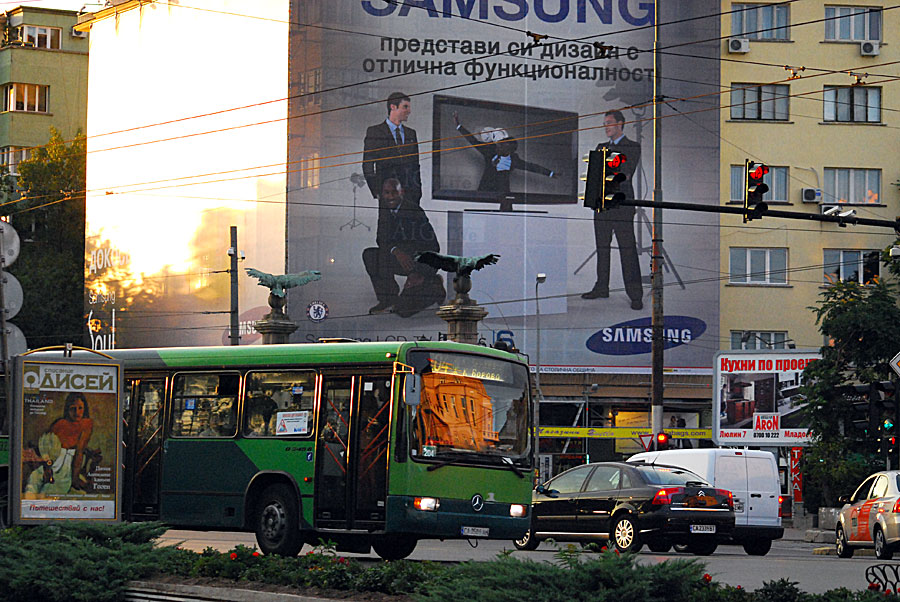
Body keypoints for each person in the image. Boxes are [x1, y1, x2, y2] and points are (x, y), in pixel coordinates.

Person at [582, 109, 644, 310]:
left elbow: (625, 173)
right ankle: (602, 287)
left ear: (620, 124)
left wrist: (605, 169)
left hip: (621, 205)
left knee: (627, 249)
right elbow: (595, 174)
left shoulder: (632, 146)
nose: (606, 127)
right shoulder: (601, 147)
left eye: (609, 123)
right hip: (602, 204)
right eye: (605, 123)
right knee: (602, 247)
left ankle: (635, 295)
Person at [362, 178, 445, 318]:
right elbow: (381, 239)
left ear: (402, 192)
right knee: (370, 255)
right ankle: (388, 298)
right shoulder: (385, 210)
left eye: (394, 192)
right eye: (387, 193)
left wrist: (417, 273)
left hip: (421, 263)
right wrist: (396, 251)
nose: (390, 196)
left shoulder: (414, 211)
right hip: (401, 259)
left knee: (403, 311)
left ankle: (434, 286)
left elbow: (432, 247)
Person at [453, 111, 555, 197]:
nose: (499, 147)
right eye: (500, 145)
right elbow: (473, 141)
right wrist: (459, 126)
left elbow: (532, 167)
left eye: (504, 147)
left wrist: (550, 173)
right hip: (484, 191)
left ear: (510, 150)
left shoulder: (514, 160)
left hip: (502, 195)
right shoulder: (489, 151)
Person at [25, 392, 94, 495]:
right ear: (67, 409)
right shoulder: (60, 424)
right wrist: (47, 468)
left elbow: (79, 453)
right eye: (73, 408)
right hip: (51, 461)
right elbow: (46, 448)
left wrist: (75, 478)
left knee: (50, 489)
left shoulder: (86, 425)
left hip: (66, 466)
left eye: (80, 408)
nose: (77, 412)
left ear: (85, 409)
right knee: (33, 480)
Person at [362, 92, 422, 206]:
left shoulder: (411, 134)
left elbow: (415, 165)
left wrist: (417, 192)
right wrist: (377, 191)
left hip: (409, 196)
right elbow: (368, 164)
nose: (409, 111)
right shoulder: (375, 132)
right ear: (393, 107)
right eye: (405, 107)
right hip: (387, 195)